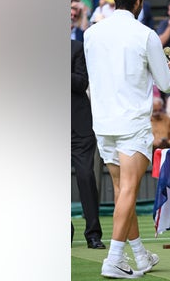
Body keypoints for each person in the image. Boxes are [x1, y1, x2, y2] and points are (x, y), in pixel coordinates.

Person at [83, 0, 170, 279]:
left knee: (121, 189)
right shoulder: (146, 35)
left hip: (102, 123)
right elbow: (166, 84)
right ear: (139, 1)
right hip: (132, 125)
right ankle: (113, 260)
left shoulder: (90, 33)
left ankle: (140, 256)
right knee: (127, 190)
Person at [71, 40, 105, 250]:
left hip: (79, 129)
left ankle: (93, 234)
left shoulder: (77, 47)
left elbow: (81, 83)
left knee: (86, 177)